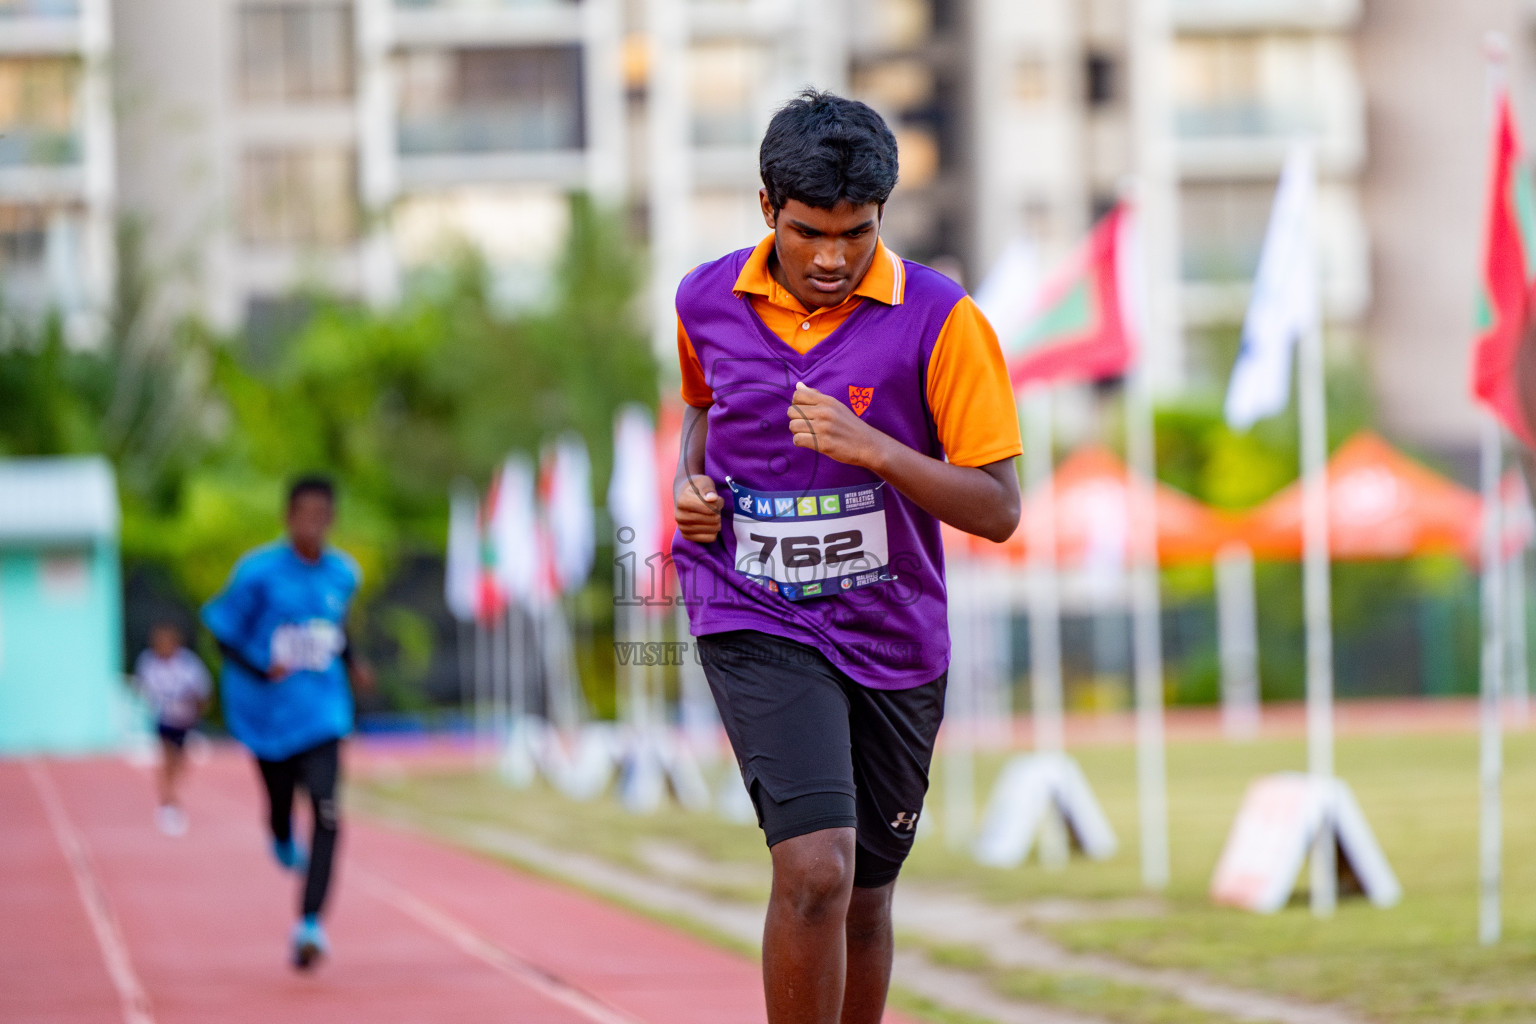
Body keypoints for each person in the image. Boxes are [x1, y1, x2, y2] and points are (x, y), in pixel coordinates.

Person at [670, 90, 1023, 1024]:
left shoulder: (944, 321)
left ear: (882, 216)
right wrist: (689, 488)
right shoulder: (704, 300)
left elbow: (997, 508)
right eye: (807, 232)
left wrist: (874, 449)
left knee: (864, 894)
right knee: (816, 867)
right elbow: (704, 411)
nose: (830, 258)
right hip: (752, 609)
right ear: (765, 208)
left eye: (855, 234)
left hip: (894, 633)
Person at [202, 475, 374, 970]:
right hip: (265, 714)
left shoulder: (343, 574)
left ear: (332, 520)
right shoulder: (257, 573)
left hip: (323, 711)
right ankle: (278, 831)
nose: (314, 525)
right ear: (288, 518)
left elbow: (336, 626)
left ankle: (309, 924)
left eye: (323, 516)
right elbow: (222, 633)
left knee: (326, 813)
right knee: (281, 803)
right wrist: (261, 667)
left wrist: (353, 661)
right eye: (305, 515)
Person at [133, 621, 212, 836]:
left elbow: (202, 692)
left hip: (185, 722)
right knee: (166, 759)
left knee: (180, 763)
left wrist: (195, 710)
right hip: (164, 720)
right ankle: (168, 801)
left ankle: (172, 795)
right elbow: (140, 687)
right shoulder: (148, 663)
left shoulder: (188, 665)